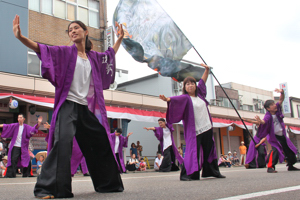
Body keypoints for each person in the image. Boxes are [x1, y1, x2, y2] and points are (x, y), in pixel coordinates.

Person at [12, 14, 125, 198]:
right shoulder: (65, 52)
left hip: (83, 109)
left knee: (100, 140)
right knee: (62, 143)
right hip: (67, 106)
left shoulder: (93, 58)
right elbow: (42, 49)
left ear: (86, 32)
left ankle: (108, 184)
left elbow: (109, 54)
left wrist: (119, 38)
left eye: (76, 28)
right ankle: (49, 189)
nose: (72, 31)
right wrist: (21, 37)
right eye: (70, 29)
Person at [160, 63, 225, 181]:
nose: (190, 85)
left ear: (195, 86)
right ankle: (189, 175)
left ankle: (213, 171)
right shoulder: (185, 98)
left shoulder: (200, 94)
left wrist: (206, 70)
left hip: (207, 127)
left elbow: (203, 81)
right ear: (184, 87)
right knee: (193, 152)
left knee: (210, 150)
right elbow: (174, 99)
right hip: (194, 130)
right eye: (187, 84)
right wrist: (167, 99)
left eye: (192, 83)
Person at [243, 88, 299, 173]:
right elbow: (263, 121)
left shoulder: (277, 110)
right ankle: (270, 167)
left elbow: (281, 99)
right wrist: (257, 121)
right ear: (268, 108)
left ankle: (291, 165)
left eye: (274, 103)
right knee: (275, 150)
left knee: (290, 149)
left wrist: (282, 92)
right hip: (274, 136)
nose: (274, 105)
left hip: (282, 135)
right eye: (272, 105)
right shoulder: (268, 116)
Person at [0, 114, 42, 178]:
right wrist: (0, 125)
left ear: (23, 119)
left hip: (23, 146)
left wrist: (38, 124)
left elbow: (33, 130)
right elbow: (7, 126)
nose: (19, 119)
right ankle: (11, 174)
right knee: (13, 159)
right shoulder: (15, 125)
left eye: (21, 117)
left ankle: (26, 174)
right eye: (18, 117)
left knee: (27, 159)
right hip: (15, 146)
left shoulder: (26, 127)